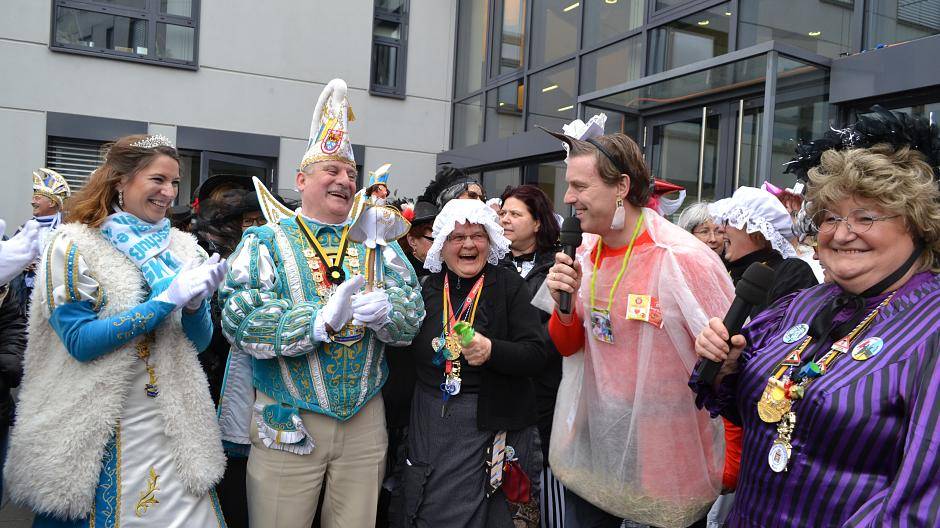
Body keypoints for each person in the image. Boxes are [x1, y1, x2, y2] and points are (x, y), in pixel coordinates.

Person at [691, 109, 940, 526]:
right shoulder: (802, 303)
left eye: (866, 217)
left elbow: (919, 505)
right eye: (831, 217)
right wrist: (728, 369)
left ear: (918, 225)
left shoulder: (931, 327)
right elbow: (761, 412)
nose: (841, 233)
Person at [218, 78, 424, 528]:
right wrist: (316, 322)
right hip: (288, 414)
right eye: (331, 170)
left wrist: (390, 313)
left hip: (366, 418)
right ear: (301, 179)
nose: (344, 180)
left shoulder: (380, 242)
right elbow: (239, 317)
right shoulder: (265, 241)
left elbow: (413, 314)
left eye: (350, 173)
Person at [5, 133, 229, 526]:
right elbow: (80, 343)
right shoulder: (73, 245)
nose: (168, 192)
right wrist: (165, 302)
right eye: (157, 179)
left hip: (172, 425)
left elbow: (198, 343)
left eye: (175, 182)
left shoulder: (184, 248)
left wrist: (194, 307)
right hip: (96, 424)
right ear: (121, 182)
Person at [541, 119, 734, 528]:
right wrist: (565, 303)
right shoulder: (582, 251)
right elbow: (567, 346)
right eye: (569, 185)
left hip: (668, 457)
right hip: (593, 449)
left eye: (580, 186)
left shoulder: (682, 257)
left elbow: (731, 365)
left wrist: (733, 450)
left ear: (622, 187)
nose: (568, 198)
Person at [393, 198, 545, 528]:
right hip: (430, 422)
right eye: (457, 237)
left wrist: (492, 350)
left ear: (490, 241)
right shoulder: (425, 289)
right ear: (442, 244)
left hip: (491, 423)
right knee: (427, 511)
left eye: (477, 235)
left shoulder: (507, 286)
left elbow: (536, 354)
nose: (468, 244)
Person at [497, 184, 566, 527]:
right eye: (503, 213)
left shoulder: (558, 268)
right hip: (501, 390)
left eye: (515, 214)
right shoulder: (492, 264)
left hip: (545, 391)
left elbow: (555, 331)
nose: (506, 220)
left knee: (545, 489)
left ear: (538, 222)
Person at [709, 187, 819, 317]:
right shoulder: (723, 270)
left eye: (729, 221)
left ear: (755, 231)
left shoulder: (790, 272)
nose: (722, 228)